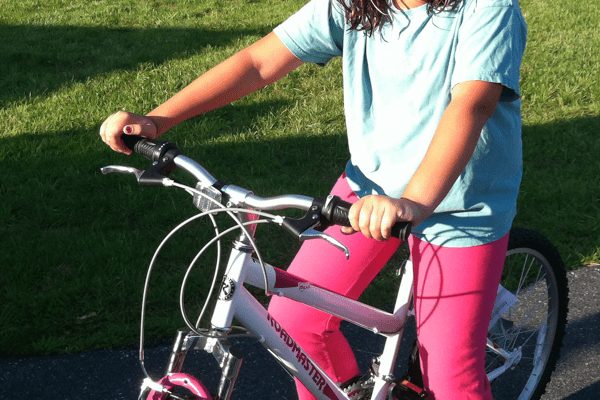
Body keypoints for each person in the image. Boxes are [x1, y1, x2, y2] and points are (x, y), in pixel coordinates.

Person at [100, 0, 527, 398]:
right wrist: (157, 120)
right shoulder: (356, 4)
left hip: (460, 204)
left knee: (452, 376)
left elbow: (471, 103)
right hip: (369, 191)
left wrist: (415, 202)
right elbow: (260, 61)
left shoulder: (487, 7)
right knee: (294, 321)